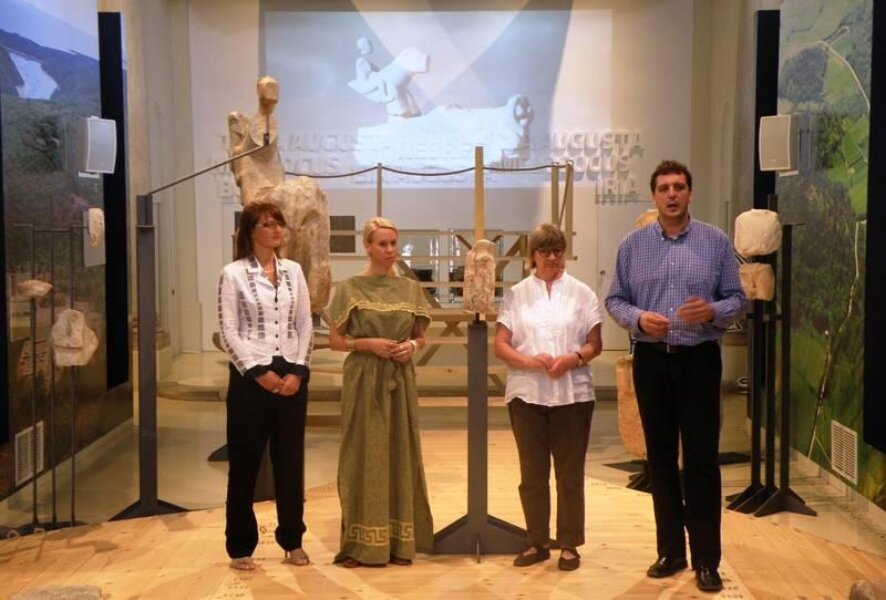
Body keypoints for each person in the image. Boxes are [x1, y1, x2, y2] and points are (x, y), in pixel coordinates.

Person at [605, 160, 745, 592]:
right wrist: (638, 319)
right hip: (652, 361)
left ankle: (706, 559)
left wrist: (713, 311)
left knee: (701, 461)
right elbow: (615, 300)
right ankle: (670, 552)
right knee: (660, 460)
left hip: (700, 360)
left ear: (689, 193)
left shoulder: (715, 242)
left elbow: (738, 299)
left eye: (679, 187)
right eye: (664, 188)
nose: (671, 194)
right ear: (654, 195)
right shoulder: (632, 246)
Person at [325, 217, 434, 567]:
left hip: (399, 378)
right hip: (363, 378)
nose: (389, 250)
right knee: (363, 454)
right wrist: (366, 343)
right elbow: (335, 340)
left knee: (400, 451)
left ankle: (399, 542)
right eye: (382, 244)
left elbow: (420, 336)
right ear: (368, 247)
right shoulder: (350, 288)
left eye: (393, 243)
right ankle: (361, 544)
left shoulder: (410, 289)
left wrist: (412, 347)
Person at [494, 223, 603, 571]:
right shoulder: (516, 294)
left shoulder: (582, 293)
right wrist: (530, 361)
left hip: (574, 395)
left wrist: (574, 358)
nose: (552, 257)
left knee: (570, 474)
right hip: (527, 394)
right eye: (545, 251)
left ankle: (569, 544)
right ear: (533, 255)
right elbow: (501, 344)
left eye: (557, 250)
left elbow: (595, 343)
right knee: (532, 474)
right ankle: (537, 541)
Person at [217, 201, 313, 570]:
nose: (276, 230)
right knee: (245, 464)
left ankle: (293, 540)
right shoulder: (233, 274)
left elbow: (304, 323)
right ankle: (240, 546)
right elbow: (229, 331)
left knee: (290, 462)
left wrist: (298, 372)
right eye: (267, 224)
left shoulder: (294, 270)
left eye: (278, 223)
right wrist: (258, 372)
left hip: (291, 373)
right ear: (250, 231)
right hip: (250, 377)